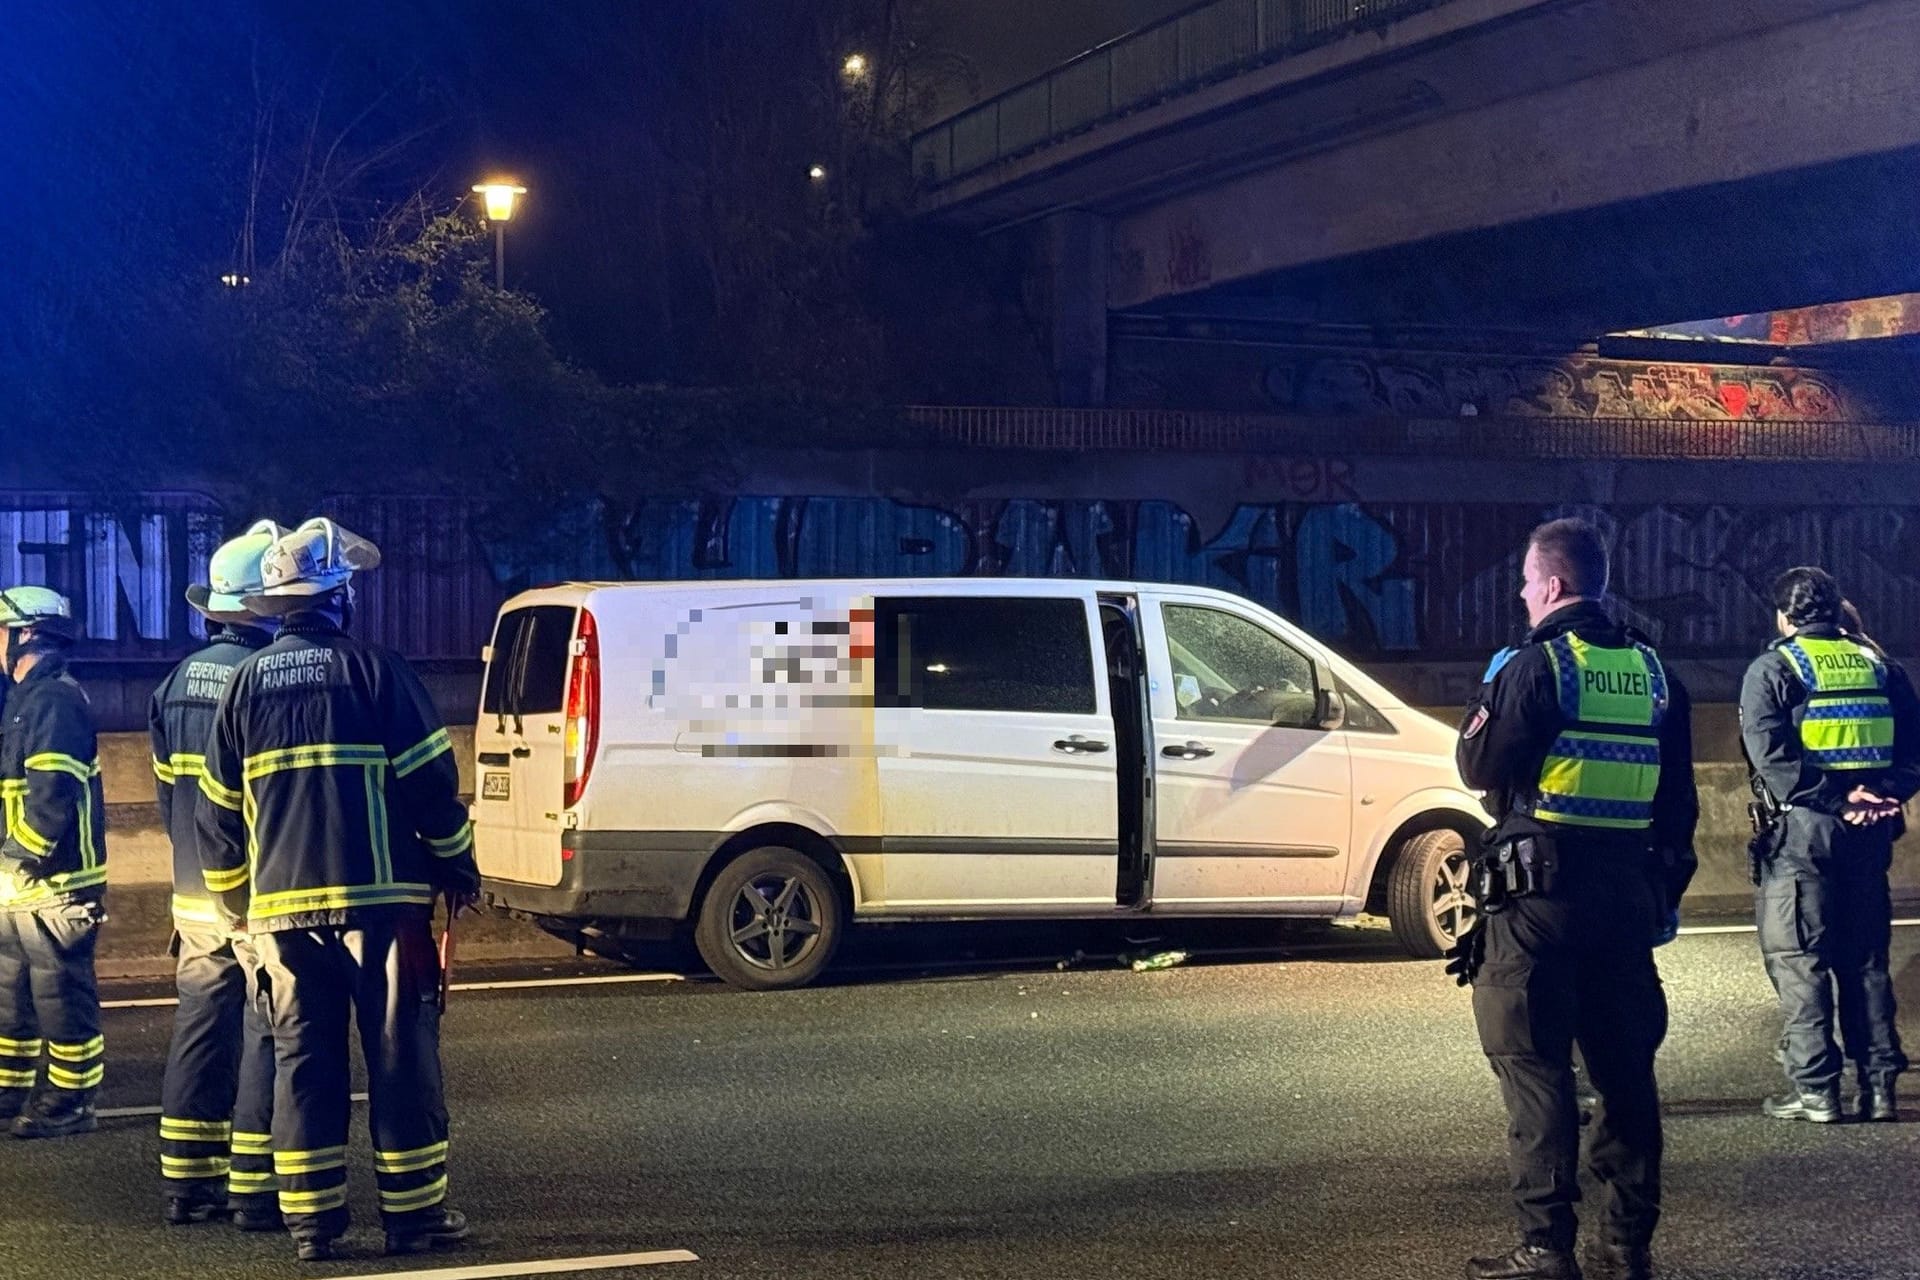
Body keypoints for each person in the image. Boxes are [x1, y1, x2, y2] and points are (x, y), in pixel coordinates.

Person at [195, 518, 481, 1262]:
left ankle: (314, 1228)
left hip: (282, 920)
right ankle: (412, 1218)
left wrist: (236, 911)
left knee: (305, 1063)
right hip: (383, 908)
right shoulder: (377, 670)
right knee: (399, 1057)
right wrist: (458, 866)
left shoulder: (243, 688)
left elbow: (217, 820)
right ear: (339, 596)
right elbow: (432, 788)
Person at [1448, 518, 1697, 1280]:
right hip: (1624, 897)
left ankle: (1544, 1247)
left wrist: (1492, 687)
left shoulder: (1537, 666)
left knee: (1535, 1067)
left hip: (1539, 901)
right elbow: (1678, 809)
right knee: (1625, 1072)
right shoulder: (1657, 675)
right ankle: (1627, 1245)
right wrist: (1656, 892)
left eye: (1527, 583)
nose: (1523, 594)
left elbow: (1476, 766)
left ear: (1551, 586)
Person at [1741, 568, 1916, 1124]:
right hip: (1870, 832)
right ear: (1838, 610)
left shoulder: (1775, 668)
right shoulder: (1881, 666)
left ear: (1784, 616)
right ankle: (1879, 1086)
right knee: (1865, 959)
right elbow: (1912, 747)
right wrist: (1882, 793)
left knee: (1800, 959)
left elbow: (1774, 758)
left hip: (1806, 832)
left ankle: (1816, 1090)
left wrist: (1838, 798)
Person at [152, 520, 286, 1227]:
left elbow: (169, 797)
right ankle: (252, 1188)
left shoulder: (174, 683)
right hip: (253, 891)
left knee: (199, 1028)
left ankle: (185, 1183)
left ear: (210, 611)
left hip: (192, 891)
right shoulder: (261, 679)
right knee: (265, 1027)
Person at [0, 586, 108, 1139]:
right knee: (13, 990)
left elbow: (52, 792)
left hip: (57, 883)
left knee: (59, 992)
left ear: (26, 635)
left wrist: (19, 856)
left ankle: (70, 1098)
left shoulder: (53, 700)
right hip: (21, 883)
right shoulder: (24, 697)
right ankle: (12, 1087)